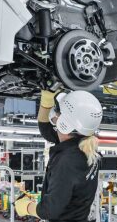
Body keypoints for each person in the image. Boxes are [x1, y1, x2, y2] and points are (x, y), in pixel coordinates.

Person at [15, 89, 103, 222]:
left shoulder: (67, 162)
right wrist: (46, 100)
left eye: (57, 111)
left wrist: (26, 207)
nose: (54, 113)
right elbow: (47, 131)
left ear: (65, 123)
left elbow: (49, 210)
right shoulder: (84, 149)